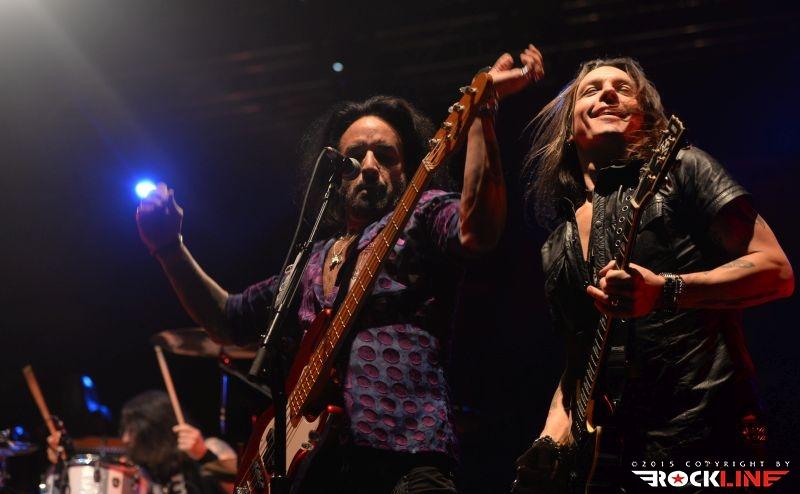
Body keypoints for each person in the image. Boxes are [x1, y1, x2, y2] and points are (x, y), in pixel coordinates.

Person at [135, 46, 544, 493]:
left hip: (407, 456)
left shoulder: (424, 214)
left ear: (406, 168)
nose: (368, 167)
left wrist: (481, 115)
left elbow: (477, 232)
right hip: (319, 471)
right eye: (355, 156)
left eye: (385, 155)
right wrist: (168, 248)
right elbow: (228, 320)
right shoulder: (311, 260)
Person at [512, 57, 794, 492]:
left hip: (708, 434)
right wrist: (550, 438)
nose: (609, 93)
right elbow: (578, 365)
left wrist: (666, 291)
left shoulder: (685, 169)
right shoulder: (556, 243)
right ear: (570, 129)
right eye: (592, 90)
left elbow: (776, 271)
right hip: (614, 462)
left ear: (644, 118)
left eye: (623, 89)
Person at [47, 391, 237, 494]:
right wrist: (65, 452)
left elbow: (242, 489)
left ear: (155, 431)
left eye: (133, 430)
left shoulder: (210, 447)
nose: (126, 438)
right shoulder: (141, 466)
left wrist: (204, 455)